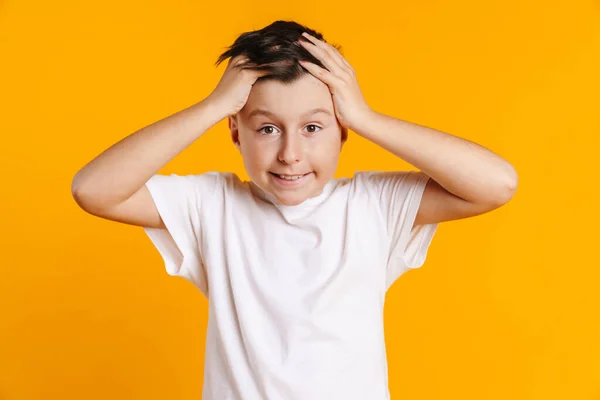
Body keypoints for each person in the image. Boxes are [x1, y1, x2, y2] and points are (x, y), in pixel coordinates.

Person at [71, 20, 518, 400]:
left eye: (312, 127)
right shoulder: (213, 206)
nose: (290, 153)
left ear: (341, 130)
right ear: (235, 131)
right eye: (267, 128)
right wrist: (211, 106)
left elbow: (497, 184)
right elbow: (94, 190)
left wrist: (366, 117)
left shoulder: (373, 206)